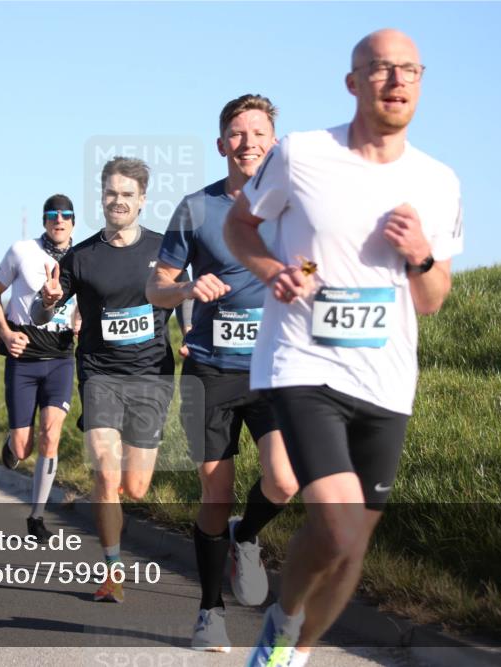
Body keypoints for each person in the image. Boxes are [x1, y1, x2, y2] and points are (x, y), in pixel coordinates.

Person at [224, 30, 463, 667]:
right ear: (353, 83)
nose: (397, 81)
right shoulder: (302, 154)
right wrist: (271, 269)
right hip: (303, 361)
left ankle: (293, 648)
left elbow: (432, 297)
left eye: (409, 69)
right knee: (338, 523)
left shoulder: (438, 181)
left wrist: (421, 255)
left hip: (386, 378)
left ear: (421, 82)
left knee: (352, 547)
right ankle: (283, 623)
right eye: (381, 69)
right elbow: (240, 224)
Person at [146, 94, 299, 653]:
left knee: (284, 481)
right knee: (216, 493)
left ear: (274, 144)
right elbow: (156, 287)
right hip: (209, 369)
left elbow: (317, 263)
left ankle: (247, 535)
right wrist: (188, 288)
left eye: (258, 133)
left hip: (274, 368)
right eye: (237, 133)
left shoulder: (295, 207)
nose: (248, 142)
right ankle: (209, 611)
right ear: (220, 145)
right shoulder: (196, 208)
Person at [34, 157, 175, 604]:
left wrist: (195, 333)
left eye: (127, 194)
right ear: (102, 196)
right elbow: (43, 313)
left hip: (151, 377)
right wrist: (47, 301)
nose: (118, 200)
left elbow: (188, 300)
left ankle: (118, 511)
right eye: (111, 192)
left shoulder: (164, 251)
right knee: (104, 468)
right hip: (100, 375)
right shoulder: (82, 256)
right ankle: (113, 569)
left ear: (142, 199)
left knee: (135, 486)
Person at [0, 194, 78, 540]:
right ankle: (12, 443)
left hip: (60, 359)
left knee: (51, 436)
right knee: (23, 449)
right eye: (52, 214)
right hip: (23, 359)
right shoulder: (21, 251)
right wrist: (6, 334)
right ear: (44, 221)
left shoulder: (82, 257)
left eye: (65, 214)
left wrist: (82, 318)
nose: (59, 220)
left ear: (73, 221)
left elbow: (91, 298)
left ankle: (37, 517)